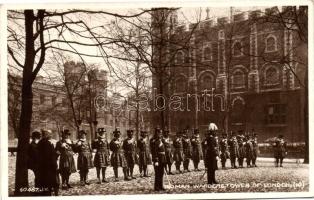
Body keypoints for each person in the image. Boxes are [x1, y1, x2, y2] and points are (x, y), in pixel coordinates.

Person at [37, 129, 59, 196]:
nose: (51, 135)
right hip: (49, 166)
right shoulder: (46, 143)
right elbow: (48, 156)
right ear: (46, 135)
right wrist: (56, 155)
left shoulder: (41, 142)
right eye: (49, 134)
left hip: (44, 166)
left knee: (46, 182)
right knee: (51, 181)